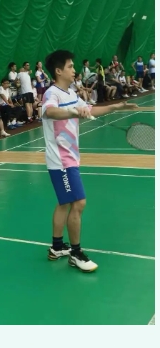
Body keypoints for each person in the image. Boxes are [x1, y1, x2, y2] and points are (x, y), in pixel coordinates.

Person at [42, 50, 138, 272]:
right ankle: (76, 253)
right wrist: (73, 112)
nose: (74, 69)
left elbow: (89, 109)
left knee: (65, 202)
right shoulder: (51, 93)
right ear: (58, 71)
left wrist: (116, 107)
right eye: (70, 66)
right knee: (79, 203)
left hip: (70, 156)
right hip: (61, 160)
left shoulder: (70, 92)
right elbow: (51, 112)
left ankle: (57, 247)